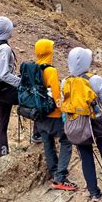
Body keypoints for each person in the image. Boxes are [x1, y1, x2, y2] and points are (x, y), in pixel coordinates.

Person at [64, 47, 102, 202]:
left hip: (76, 126)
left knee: (86, 158)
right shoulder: (95, 80)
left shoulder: (65, 82)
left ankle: (94, 193)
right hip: (96, 125)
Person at [34, 39, 78, 191]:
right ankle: (60, 178)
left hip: (39, 116)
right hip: (53, 115)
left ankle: (54, 172)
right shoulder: (50, 70)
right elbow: (56, 95)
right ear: (48, 52)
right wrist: (64, 111)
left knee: (48, 143)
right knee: (66, 141)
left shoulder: (33, 68)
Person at [0, 16, 20, 157]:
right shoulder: (4, 48)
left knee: (2, 121)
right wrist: (21, 82)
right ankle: (38, 135)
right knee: (35, 101)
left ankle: (3, 153)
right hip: (6, 90)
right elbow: (3, 74)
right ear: (7, 30)